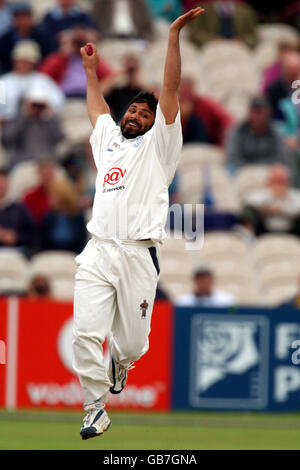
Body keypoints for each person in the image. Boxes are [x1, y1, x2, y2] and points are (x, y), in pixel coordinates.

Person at [72, 7, 203, 440]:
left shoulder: (160, 146)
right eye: (132, 110)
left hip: (137, 254)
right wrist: (91, 72)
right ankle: (95, 408)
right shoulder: (109, 139)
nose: (136, 117)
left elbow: (170, 87)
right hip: (98, 249)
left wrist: (172, 36)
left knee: (129, 345)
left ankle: (121, 364)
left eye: (145, 115)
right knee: (85, 333)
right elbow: (96, 110)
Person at [0, 40, 65, 122]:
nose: (23, 64)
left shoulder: (43, 81)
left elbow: (57, 103)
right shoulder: (3, 82)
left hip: (37, 125)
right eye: (21, 61)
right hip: (8, 126)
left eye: (27, 61)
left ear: (34, 63)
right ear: (14, 61)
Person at [39, 27, 114, 98]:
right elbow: (43, 76)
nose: (79, 47)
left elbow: (110, 77)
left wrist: (96, 96)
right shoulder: (60, 58)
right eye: (76, 43)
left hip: (87, 97)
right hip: (63, 96)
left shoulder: (94, 59)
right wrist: (64, 51)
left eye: (81, 43)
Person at [2, 88, 65, 168]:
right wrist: (25, 114)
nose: (37, 109)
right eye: (34, 105)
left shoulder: (49, 123)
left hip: (48, 164)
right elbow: (7, 138)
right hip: (24, 164)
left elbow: (60, 138)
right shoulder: (18, 120)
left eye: (40, 106)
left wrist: (50, 114)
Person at [226, 95, 289, 171]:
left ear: (268, 113)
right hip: (243, 172)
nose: (256, 116)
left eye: (259, 112)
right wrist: (250, 169)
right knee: (230, 169)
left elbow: (281, 158)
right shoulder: (238, 131)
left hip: (269, 173)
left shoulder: (275, 132)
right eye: (253, 112)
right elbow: (232, 158)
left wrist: (262, 168)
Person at [241, 164, 300, 237]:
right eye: (276, 181)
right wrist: (271, 197)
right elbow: (249, 202)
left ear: (288, 182)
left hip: (292, 230)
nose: (278, 185)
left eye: (281, 181)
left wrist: (282, 208)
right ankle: (249, 238)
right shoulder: (261, 193)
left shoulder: (295, 194)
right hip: (264, 230)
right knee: (248, 211)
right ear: (269, 181)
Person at [0, 1, 56, 74]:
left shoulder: (43, 36)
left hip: (39, 74)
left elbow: (49, 58)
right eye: (18, 17)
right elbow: (4, 62)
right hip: (12, 76)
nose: (22, 21)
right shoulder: (5, 39)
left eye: (24, 16)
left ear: (31, 17)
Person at [180, 76, 234, 145]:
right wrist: (183, 117)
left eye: (188, 89)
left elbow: (226, 119)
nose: (186, 93)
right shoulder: (174, 108)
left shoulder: (205, 104)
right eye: (184, 89)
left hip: (208, 142)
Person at [40, 178, 87, 253]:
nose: (49, 199)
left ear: (62, 196)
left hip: (74, 255)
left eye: (52, 195)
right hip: (52, 256)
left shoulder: (77, 215)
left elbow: (82, 241)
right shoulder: (49, 216)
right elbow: (43, 243)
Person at [188, 0, 258, 49]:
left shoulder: (245, 11)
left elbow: (252, 36)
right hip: (211, 49)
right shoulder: (201, 10)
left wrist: (241, 41)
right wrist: (212, 40)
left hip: (238, 49)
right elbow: (195, 33)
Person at [0, 167, 35, 254]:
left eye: (3, 181)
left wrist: (16, 237)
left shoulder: (20, 208)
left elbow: (32, 234)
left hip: (16, 252)